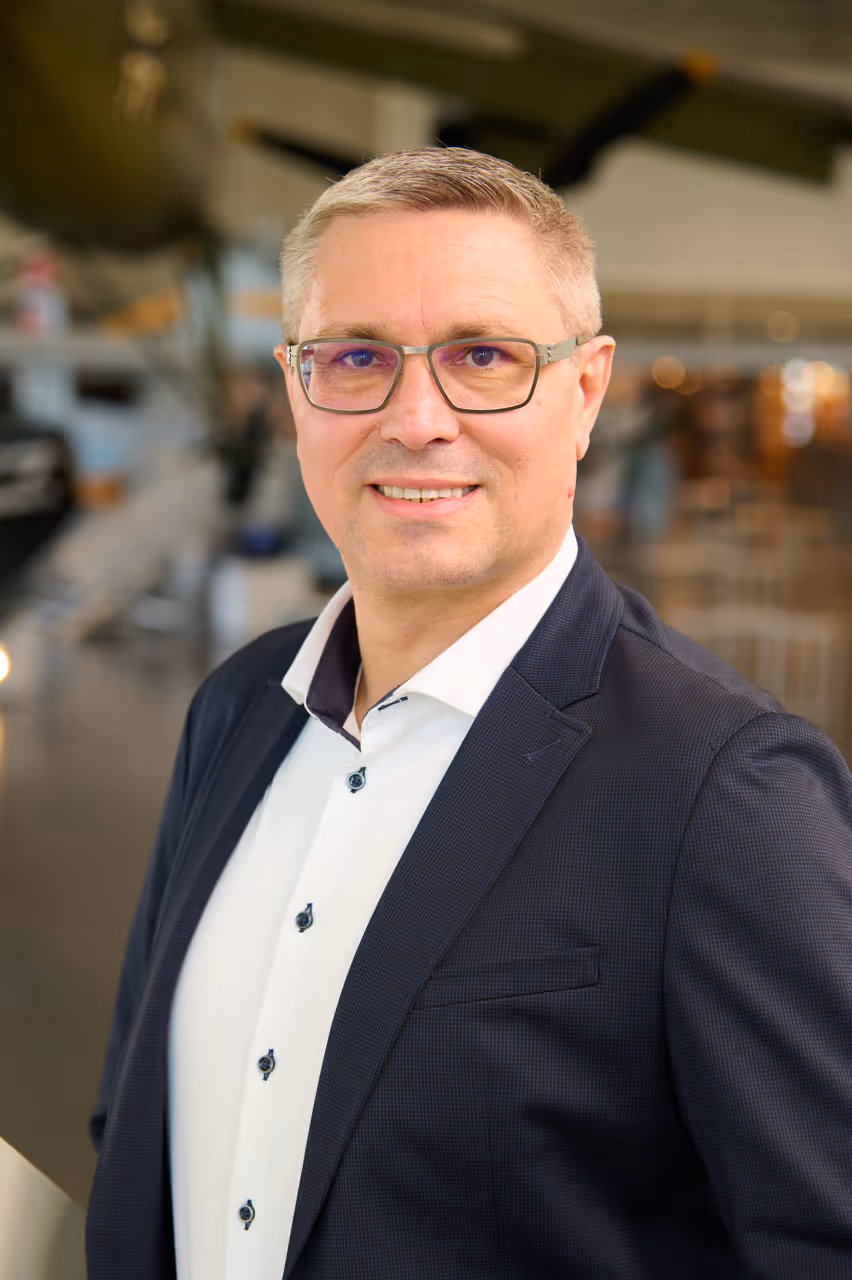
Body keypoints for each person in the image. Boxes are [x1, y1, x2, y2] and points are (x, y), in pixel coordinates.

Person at [86, 148, 852, 1280]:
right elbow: (138, 1130)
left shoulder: (722, 789)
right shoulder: (238, 712)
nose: (417, 418)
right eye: (356, 357)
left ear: (585, 392)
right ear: (299, 388)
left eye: (482, 357)